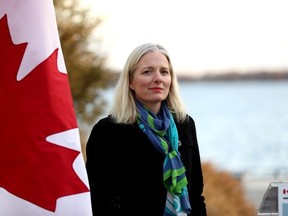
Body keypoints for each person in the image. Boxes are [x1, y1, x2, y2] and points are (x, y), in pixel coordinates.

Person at [85, 43, 207, 216]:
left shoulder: (184, 124)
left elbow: (195, 193)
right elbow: (98, 200)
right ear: (131, 82)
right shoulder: (107, 131)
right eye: (147, 72)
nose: (158, 78)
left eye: (164, 72)